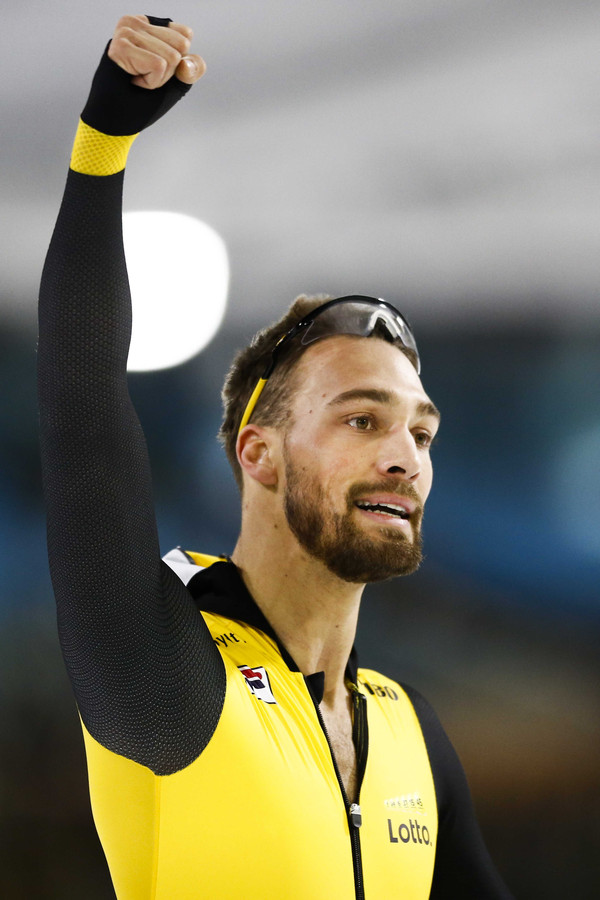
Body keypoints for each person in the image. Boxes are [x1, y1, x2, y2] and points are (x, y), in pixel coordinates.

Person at [38, 14, 514, 900]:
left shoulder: (409, 732)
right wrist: (103, 145)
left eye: (421, 432)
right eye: (363, 420)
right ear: (258, 453)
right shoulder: (164, 670)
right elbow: (83, 418)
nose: (407, 458)